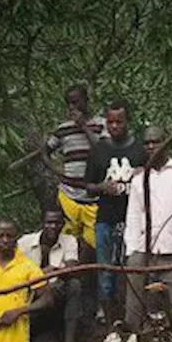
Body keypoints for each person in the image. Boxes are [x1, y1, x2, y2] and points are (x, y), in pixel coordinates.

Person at [121, 125, 172, 331]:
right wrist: (131, 250)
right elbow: (134, 216)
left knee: (170, 308)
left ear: (167, 142)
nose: (151, 146)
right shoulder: (139, 179)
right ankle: (133, 338)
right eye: (147, 143)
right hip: (144, 250)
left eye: (156, 141)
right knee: (135, 300)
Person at [84, 99, 148, 323]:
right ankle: (107, 315)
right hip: (106, 218)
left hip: (136, 219)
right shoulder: (99, 150)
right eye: (110, 122)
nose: (114, 126)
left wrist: (144, 175)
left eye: (119, 121)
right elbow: (88, 186)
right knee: (105, 267)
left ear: (127, 121)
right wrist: (101, 187)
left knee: (132, 267)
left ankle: (130, 313)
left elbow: (157, 180)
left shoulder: (141, 148)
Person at [17, 209, 85, 342]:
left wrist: (53, 271)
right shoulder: (25, 243)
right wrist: (41, 274)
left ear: (62, 224)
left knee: (74, 285)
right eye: (49, 222)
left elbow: (71, 268)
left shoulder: (68, 241)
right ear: (42, 223)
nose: (53, 226)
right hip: (29, 293)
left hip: (56, 291)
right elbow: (15, 272)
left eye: (57, 223)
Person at [45, 84, 106, 252]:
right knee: (67, 245)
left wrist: (83, 126)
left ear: (86, 101)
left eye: (76, 102)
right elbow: (45, 151)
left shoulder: (101, 125)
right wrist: (56, 170)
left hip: (93, 197)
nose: (72, 107)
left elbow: (103, 151)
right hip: (68, 194)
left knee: (95, 246)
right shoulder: (63, 129)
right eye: (69, 104)